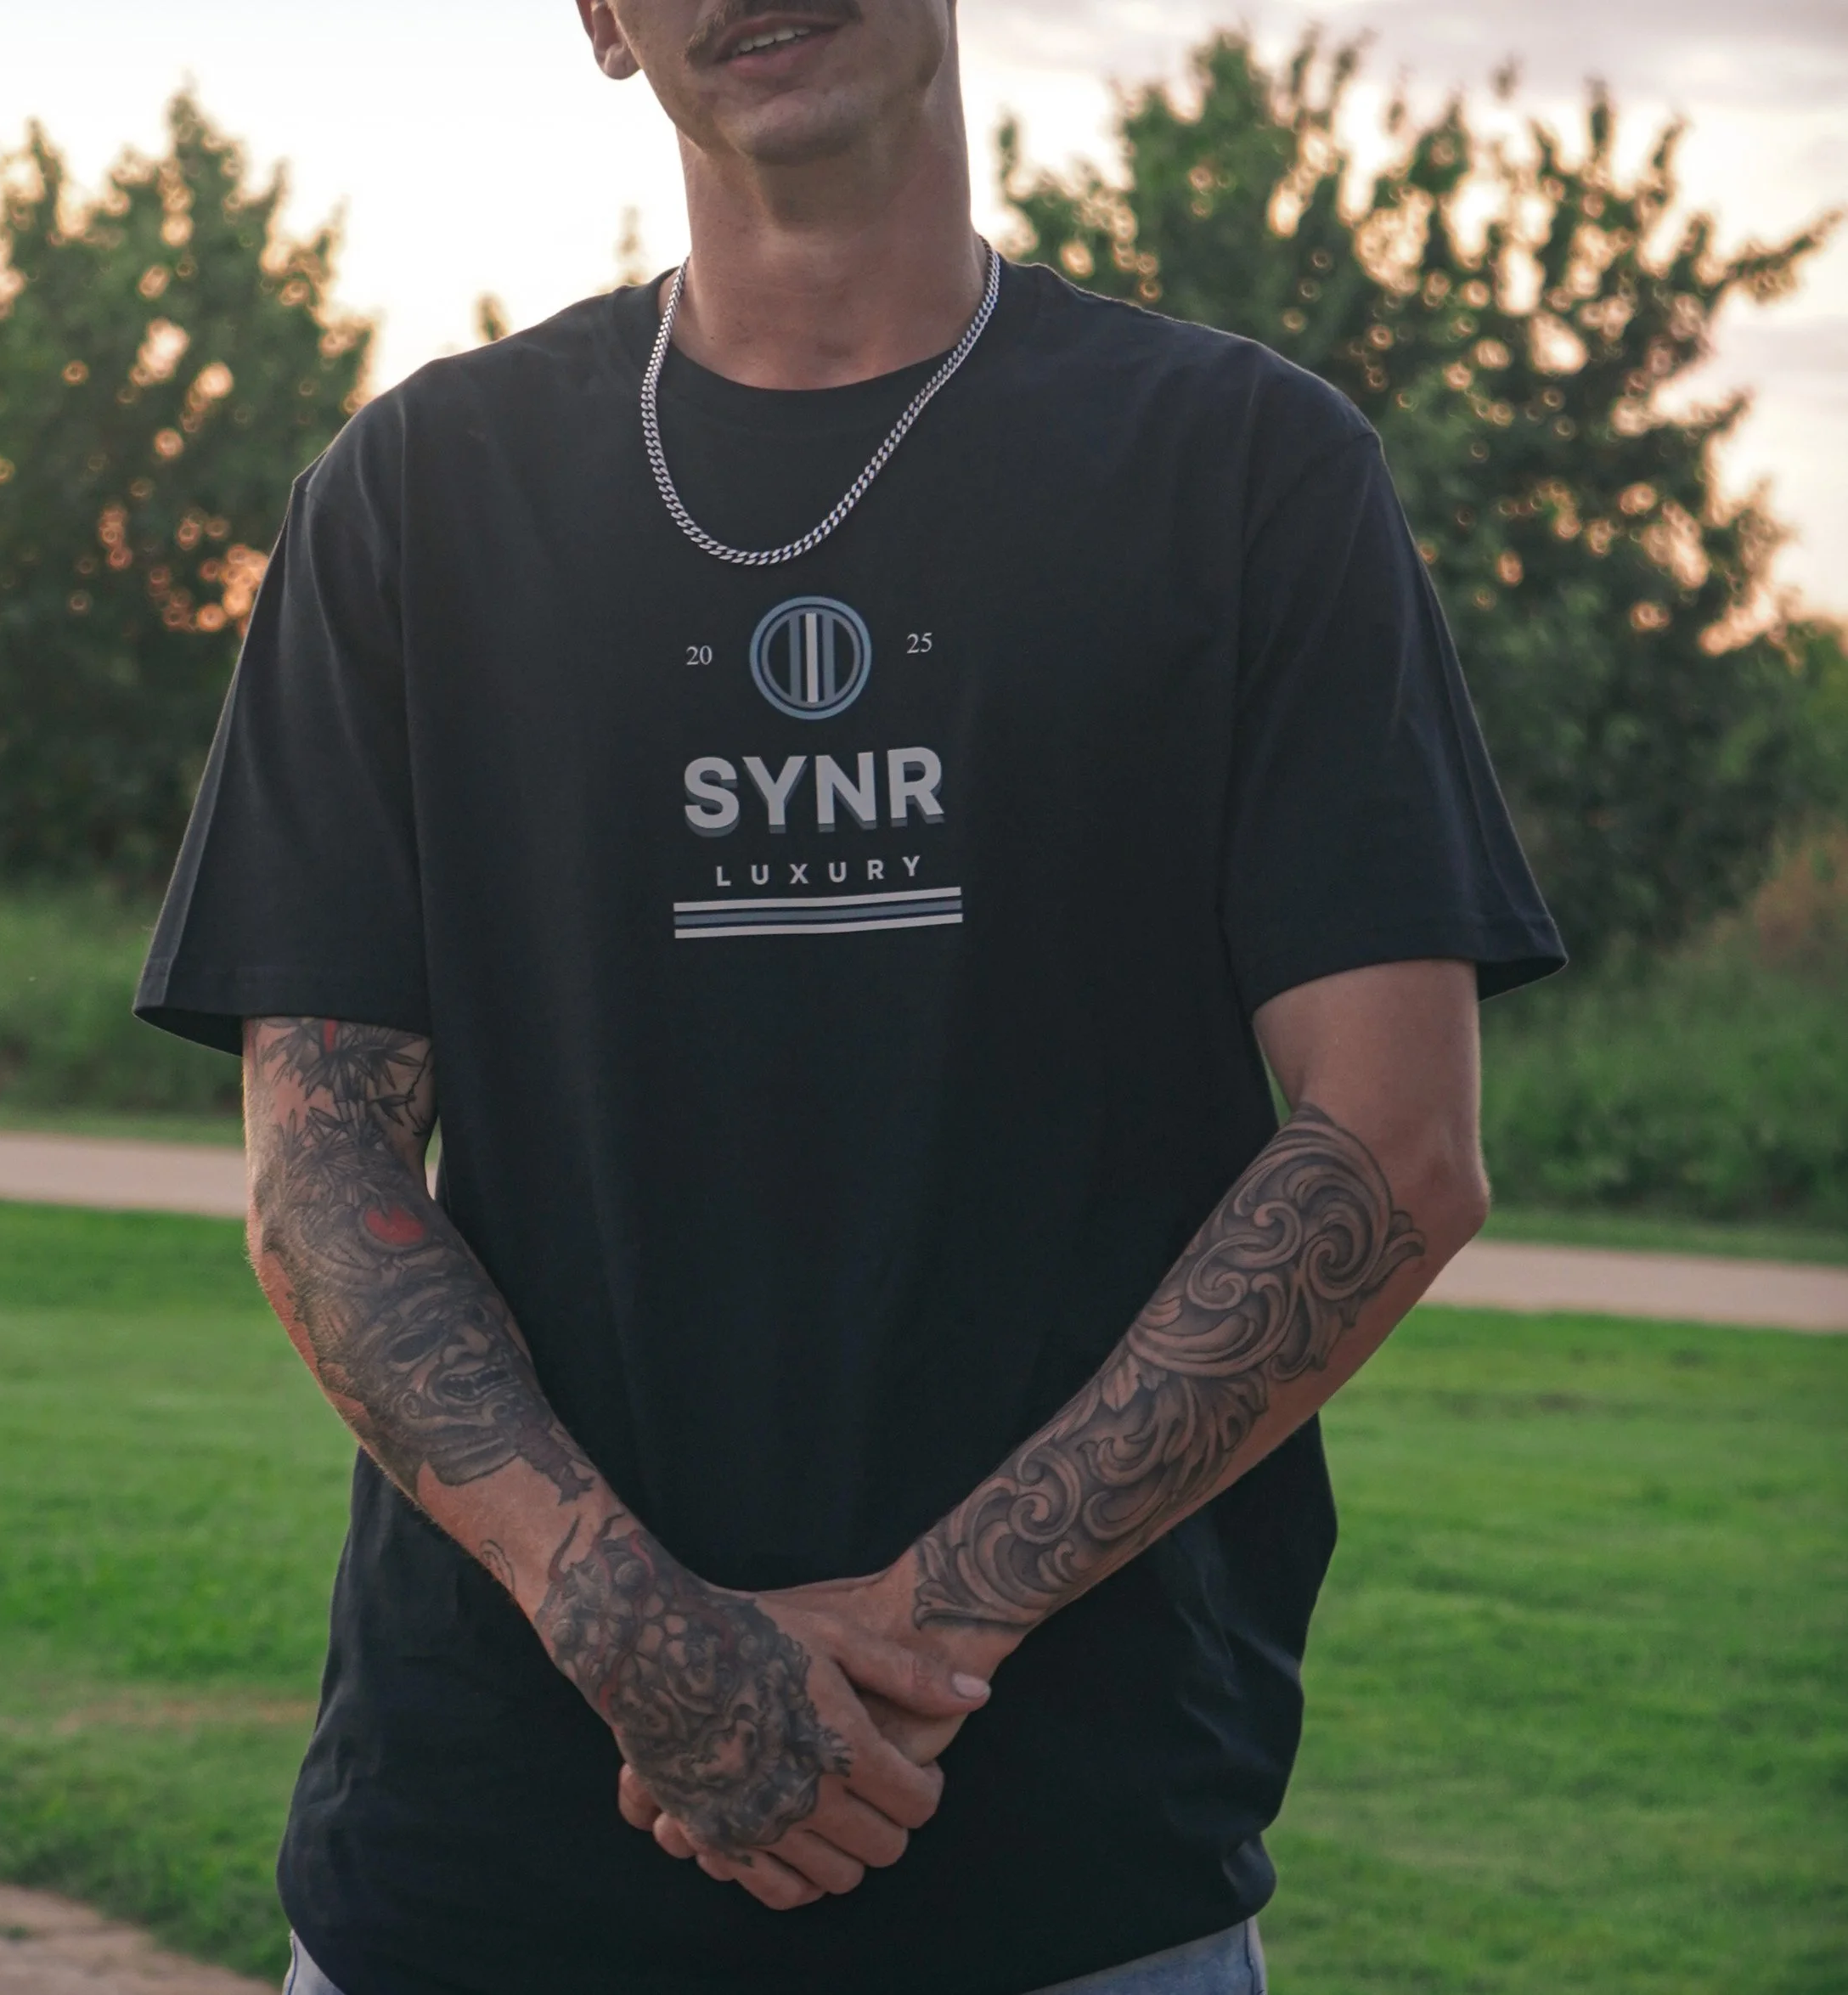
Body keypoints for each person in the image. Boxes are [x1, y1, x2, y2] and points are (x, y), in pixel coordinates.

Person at [135, 3, 1564, 1991]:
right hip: (484, 1862)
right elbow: (322, 1183)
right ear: (604, 22)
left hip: (1065, 1865)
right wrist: (638, 1627)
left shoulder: (1244, 465)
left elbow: (1394, 1145)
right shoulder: (414, 495)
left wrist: (922, 1633)